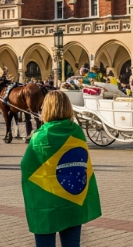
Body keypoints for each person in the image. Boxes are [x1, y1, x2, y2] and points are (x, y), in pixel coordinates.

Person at [22, 90, 101, 247]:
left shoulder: (40, 136)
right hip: (72, 200)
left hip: (46, 202)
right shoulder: (77, 132)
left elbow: (27, 167)